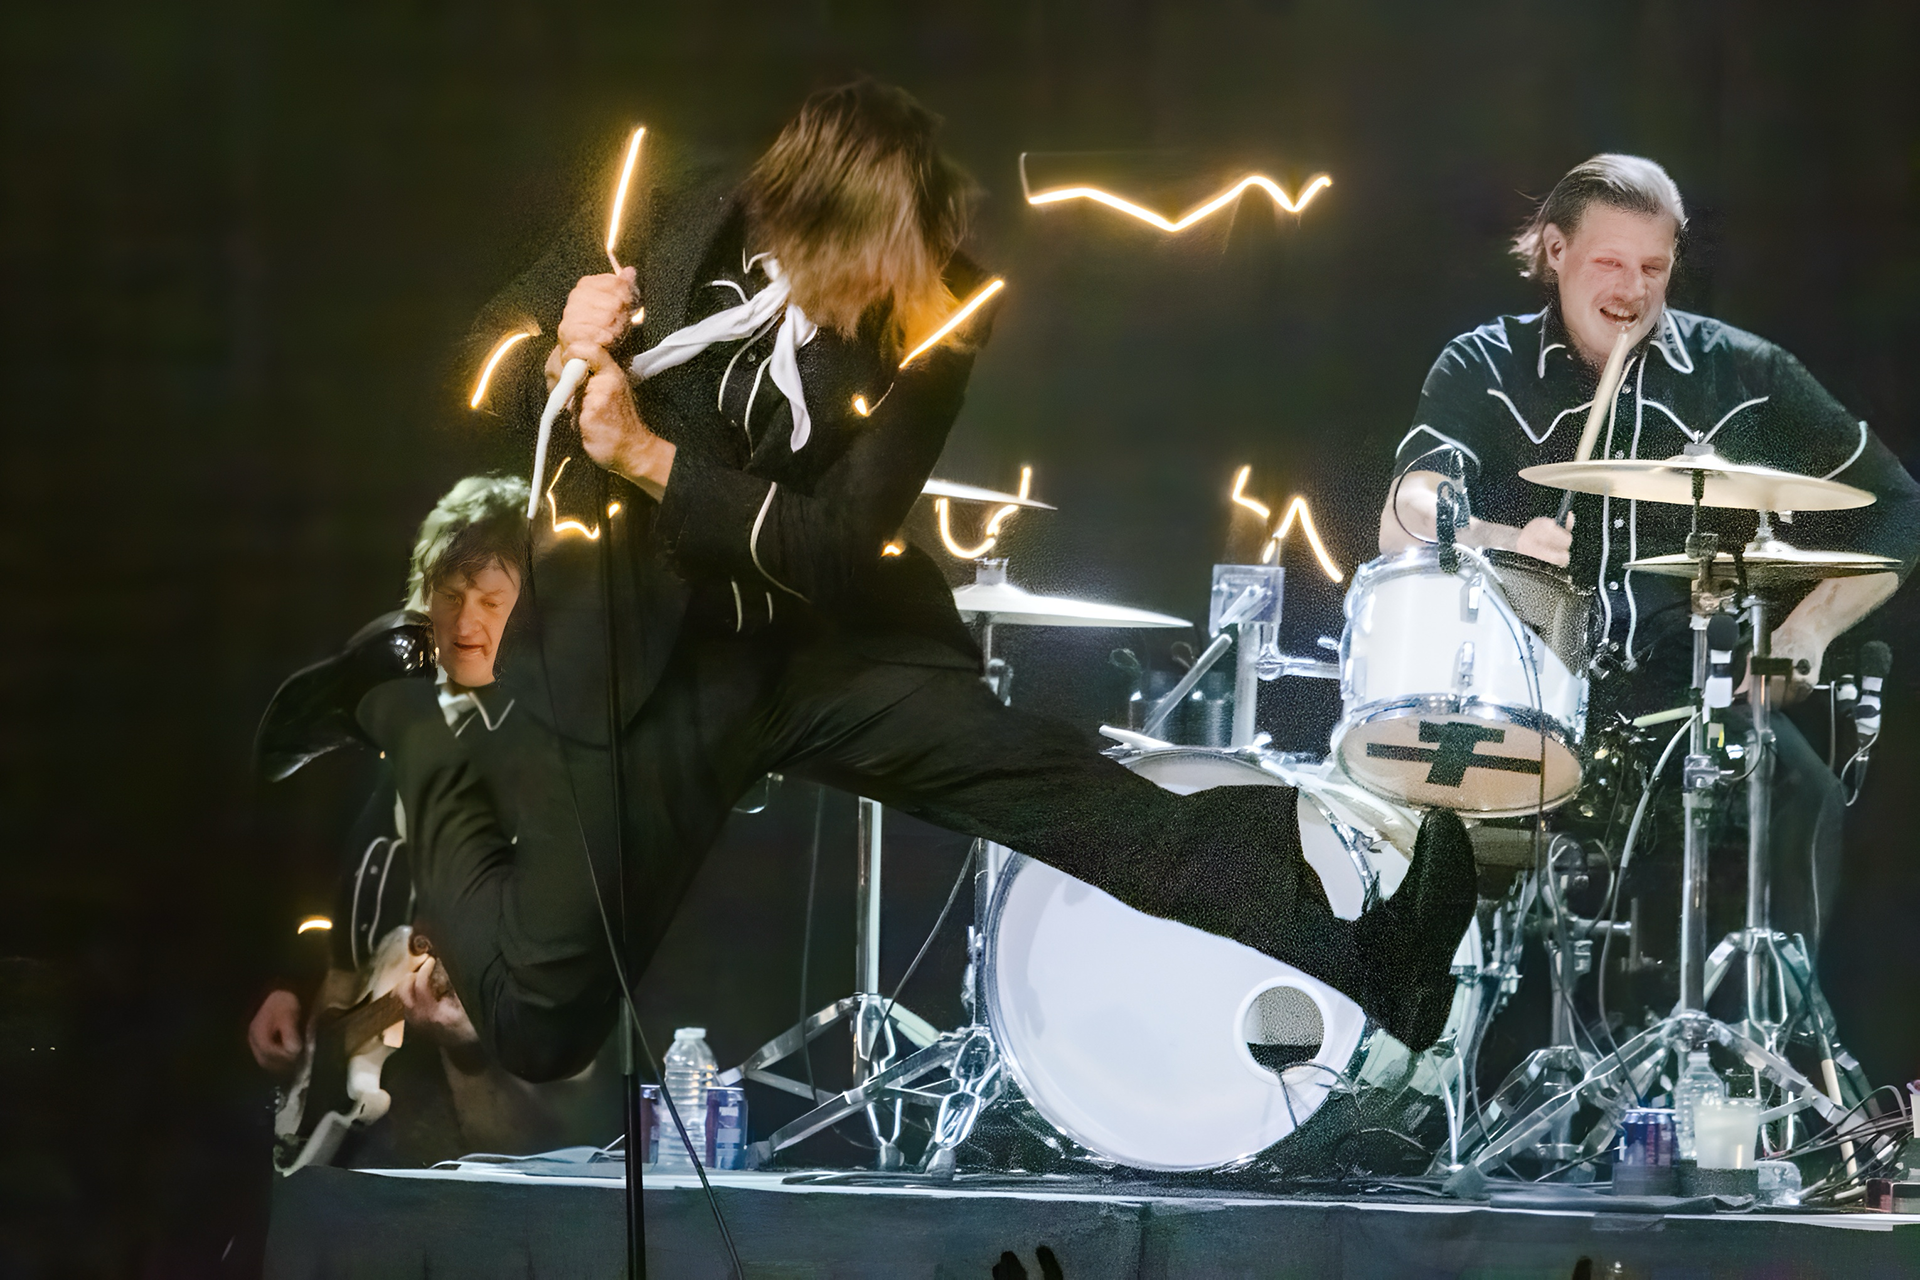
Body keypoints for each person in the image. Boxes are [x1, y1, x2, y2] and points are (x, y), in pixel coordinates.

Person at [283, 81, 1477, 1092]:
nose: (885, 303)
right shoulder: (654, 216)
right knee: (543, 1029)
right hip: (647, 656)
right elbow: (468, 375)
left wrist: (648, 458)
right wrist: (552, 341)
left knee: (1065, 791)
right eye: (865, 273)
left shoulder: (942, 304)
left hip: (820, 641)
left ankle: (1372, 951)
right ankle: (401, 709)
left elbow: (833, 543)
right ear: (789, 215)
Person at [1377, 153, 1920, 949]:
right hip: (1527, 687)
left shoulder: (1743, 374)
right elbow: (1408, 514)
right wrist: (1505, 540)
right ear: (1556, 251)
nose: (1633, 290)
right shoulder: (1483, 363)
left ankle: (1772, 1018)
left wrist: (1808, 629)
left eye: (1654, 268)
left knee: (1799, 794)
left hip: (1686, 700)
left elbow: (1901, 508)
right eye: (1610, 263)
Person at [251, 475, 619, 1164]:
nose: (465, 624)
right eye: (450, 597)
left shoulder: (566, 773)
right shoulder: (395, 738)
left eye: (492, 601)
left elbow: (582, 1075)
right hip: (344, 1155)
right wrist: (289, 984)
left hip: (468, 1172)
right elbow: (332, 891)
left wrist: (472, 1042)